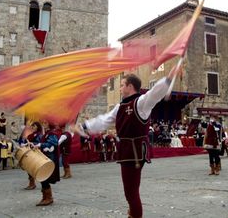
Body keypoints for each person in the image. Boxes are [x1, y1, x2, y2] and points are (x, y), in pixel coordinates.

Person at [73, 67, 176, 218]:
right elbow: (104, 120)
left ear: (130, 86)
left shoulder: (141, 102)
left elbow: (154, 94)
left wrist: (168, 79)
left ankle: (134, 215)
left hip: (134, 152)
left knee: (131, 193)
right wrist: (84, 126)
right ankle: (132, 213)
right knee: (130, 191)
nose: (120, 88)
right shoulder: (119, 107)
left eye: (122, 85)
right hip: (126, 151)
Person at [34, 121, 60, 206]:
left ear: (49, 124)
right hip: (45, 157)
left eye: (45, 122)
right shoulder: (47, 133)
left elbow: (53, 143)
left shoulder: (52, 133)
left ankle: (49, 198)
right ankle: (45, 197)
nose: (43, 123)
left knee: (45, 178)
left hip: (49, 158)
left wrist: (41, 145)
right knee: (43, 178)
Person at [22, 121, 43, 190]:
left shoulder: (39, 134)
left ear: (37, 127)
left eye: (34, 126)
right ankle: (32, 183)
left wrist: (31, 143)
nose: (32, 127)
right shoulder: (31, 134)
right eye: (32, 126)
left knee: (31, 168)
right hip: (29, 152)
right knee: (29, 168)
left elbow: (39, 143)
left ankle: (33, 184)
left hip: (35, 153)